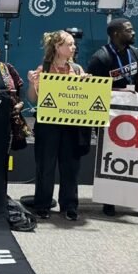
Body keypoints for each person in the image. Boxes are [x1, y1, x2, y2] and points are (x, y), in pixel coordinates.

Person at [87, 17, 138, 225]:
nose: (133, 33)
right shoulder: (100, 58)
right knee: (111, 158)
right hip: (110, 117)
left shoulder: (135, 53)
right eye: (129, 30)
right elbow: (92, 92)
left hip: (134, 114)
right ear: (116, 34)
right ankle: (109, 200)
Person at [27, 30, 87, 221]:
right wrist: (32, 83)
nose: (73, 47)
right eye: (69, 44)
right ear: (57, 47)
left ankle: (69, 205)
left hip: (71, 125)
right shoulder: (43, 69)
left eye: (73, 44)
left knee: (70, 166)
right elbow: (33, 98)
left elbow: (84, 99)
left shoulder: (77, 69)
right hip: (48, 124)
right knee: (45, 165)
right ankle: (42, 204)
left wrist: (87, 85)